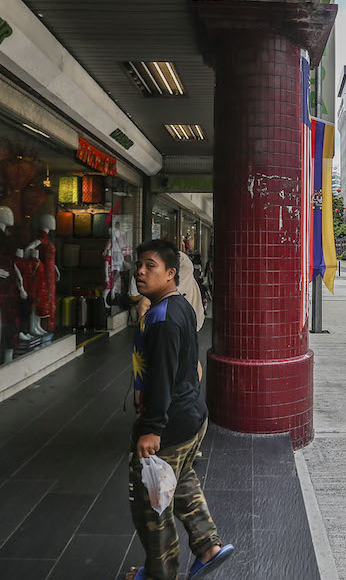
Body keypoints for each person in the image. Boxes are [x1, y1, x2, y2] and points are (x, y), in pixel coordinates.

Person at [126, 240, 233, 580]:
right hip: (191, 415)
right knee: (182, 478)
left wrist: (152, 428)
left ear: (171, 273)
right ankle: (208, 546)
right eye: (139, 265)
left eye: (150, 266)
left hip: (170, 423)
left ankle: (161, 574)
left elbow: (163, 380)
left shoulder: (165, 320)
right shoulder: (177, 305)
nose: (140, 272)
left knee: (152, 504)